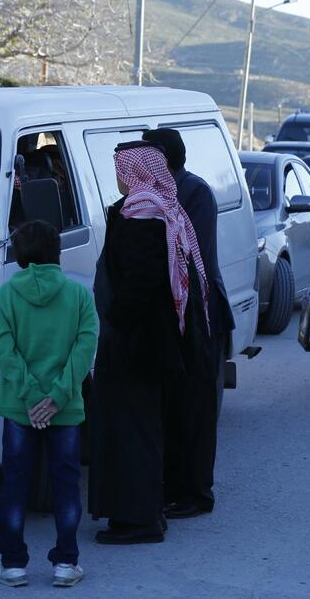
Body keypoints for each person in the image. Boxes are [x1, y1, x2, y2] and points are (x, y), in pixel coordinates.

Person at [89, 142, 209, 545]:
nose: (118, 175)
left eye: (121, 167)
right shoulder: (161, 207)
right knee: (143, 428)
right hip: (150, 343)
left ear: (136, 170)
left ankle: (138, 519)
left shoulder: (142, 213)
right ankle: (145, 511)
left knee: (132, 431)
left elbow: (137, 287)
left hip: (135, 345)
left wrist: (115, 322)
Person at [0, 220, 98, 589]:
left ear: (19, 255)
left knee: (15, 485)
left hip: (21, 409)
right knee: (66, 485)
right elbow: (84, 349)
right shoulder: (79, 296)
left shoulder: (5, 296)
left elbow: (6, 352)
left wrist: (33, 397)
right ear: (56, 253)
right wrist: (57, 396)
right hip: (64, 409)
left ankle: (13, 565)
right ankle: (66, 563)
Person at [142, 128, 234, 521]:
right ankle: (174, 486)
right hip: (175, 316)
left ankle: (196, 493)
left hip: (200, 314)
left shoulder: (192, 193)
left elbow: (179, 252)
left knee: (196, 407)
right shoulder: (161, 191)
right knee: (174, 406)